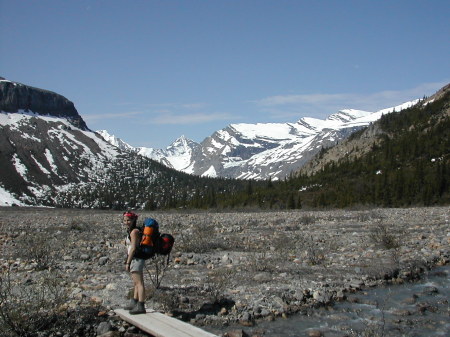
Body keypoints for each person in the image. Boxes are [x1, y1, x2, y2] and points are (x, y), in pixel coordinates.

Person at [122, 211, 146, 314]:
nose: (126, 222)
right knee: (136, 282)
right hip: (136, 258)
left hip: (136, 258)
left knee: (139, 283)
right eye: (125, 220)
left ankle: (141, 305)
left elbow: (133, 248)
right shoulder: (133, 231)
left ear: (133, 220)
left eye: (128, 220)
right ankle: (134, 302)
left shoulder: (134, 232)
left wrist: (128, 262)